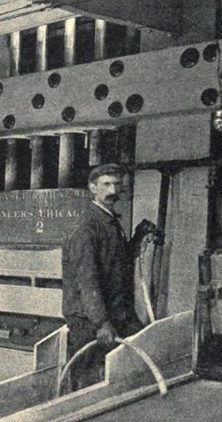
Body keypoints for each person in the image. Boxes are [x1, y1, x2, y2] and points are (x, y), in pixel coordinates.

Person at [62, 163, 162, 390]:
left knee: (132, 358)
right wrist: (101, 323)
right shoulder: (87, 227)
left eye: (116, 184)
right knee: (88, 376)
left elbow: (117, 260)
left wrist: (138, 237)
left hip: (117, 311)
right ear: (92, 188)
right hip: (89, 317)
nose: (112, 190)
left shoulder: (109, 221)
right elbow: (87, 280)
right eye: (106, 184)